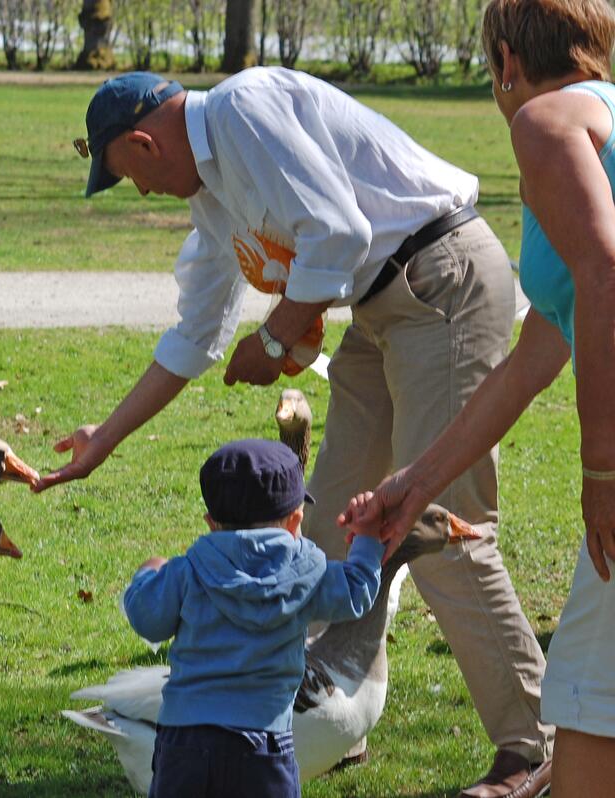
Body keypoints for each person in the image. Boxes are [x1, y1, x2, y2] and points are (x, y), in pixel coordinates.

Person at [35, 68, 554, 795]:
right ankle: (321, 721)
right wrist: (106, 439)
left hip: (442, 282)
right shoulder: (215, 198)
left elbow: (341, 232)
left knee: (436, 524)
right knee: (324, 530)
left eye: (128, 177)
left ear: (143, 143)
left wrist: (277, 340)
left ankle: (534, 749)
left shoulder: (244, 110)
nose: (143, 194)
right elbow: (197, 333)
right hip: (383, 308)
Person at [338, 2, 615, 797]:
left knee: (590, 714)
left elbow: (605, 273)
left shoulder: (543, 122)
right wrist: (411, 487)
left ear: (503, 59)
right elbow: (534, 355)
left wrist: (602, 471)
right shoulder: (600, 124)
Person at [124, 439, 384, 798]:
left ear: (212, 523)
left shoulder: (186, 573)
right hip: (265, 745)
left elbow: (146, 618)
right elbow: (357, 594)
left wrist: (146, 576)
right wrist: (368, 540)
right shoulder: (309, 576)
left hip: (186, 743)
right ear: (296, 520)